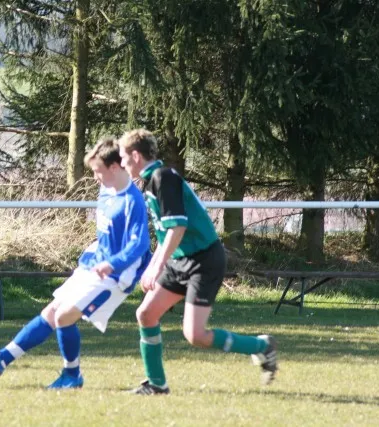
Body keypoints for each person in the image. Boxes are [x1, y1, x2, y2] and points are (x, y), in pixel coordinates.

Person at [0, 137, 151, 389]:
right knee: (52, 312)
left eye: (98, 170)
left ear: (114, 167)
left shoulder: (132, 201)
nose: (95, 177)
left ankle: (72, 375)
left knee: (65, 316)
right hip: (94, 265)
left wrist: (113, 263)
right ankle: (2, 358)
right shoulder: (106, 191)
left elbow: (139, 244)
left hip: (117, 275)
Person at [117, 129, 277, 395]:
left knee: (196, 336)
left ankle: (262, 346)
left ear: (135, 156)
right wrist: (154, 265)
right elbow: (167, 233)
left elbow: (178, 227)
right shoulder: (151, 181)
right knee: (146, 314)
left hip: (204, 260)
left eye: (123, 158)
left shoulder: (163, 177)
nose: (122, 164)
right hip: (180, 260)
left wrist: (158, 266)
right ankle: (157, 384)